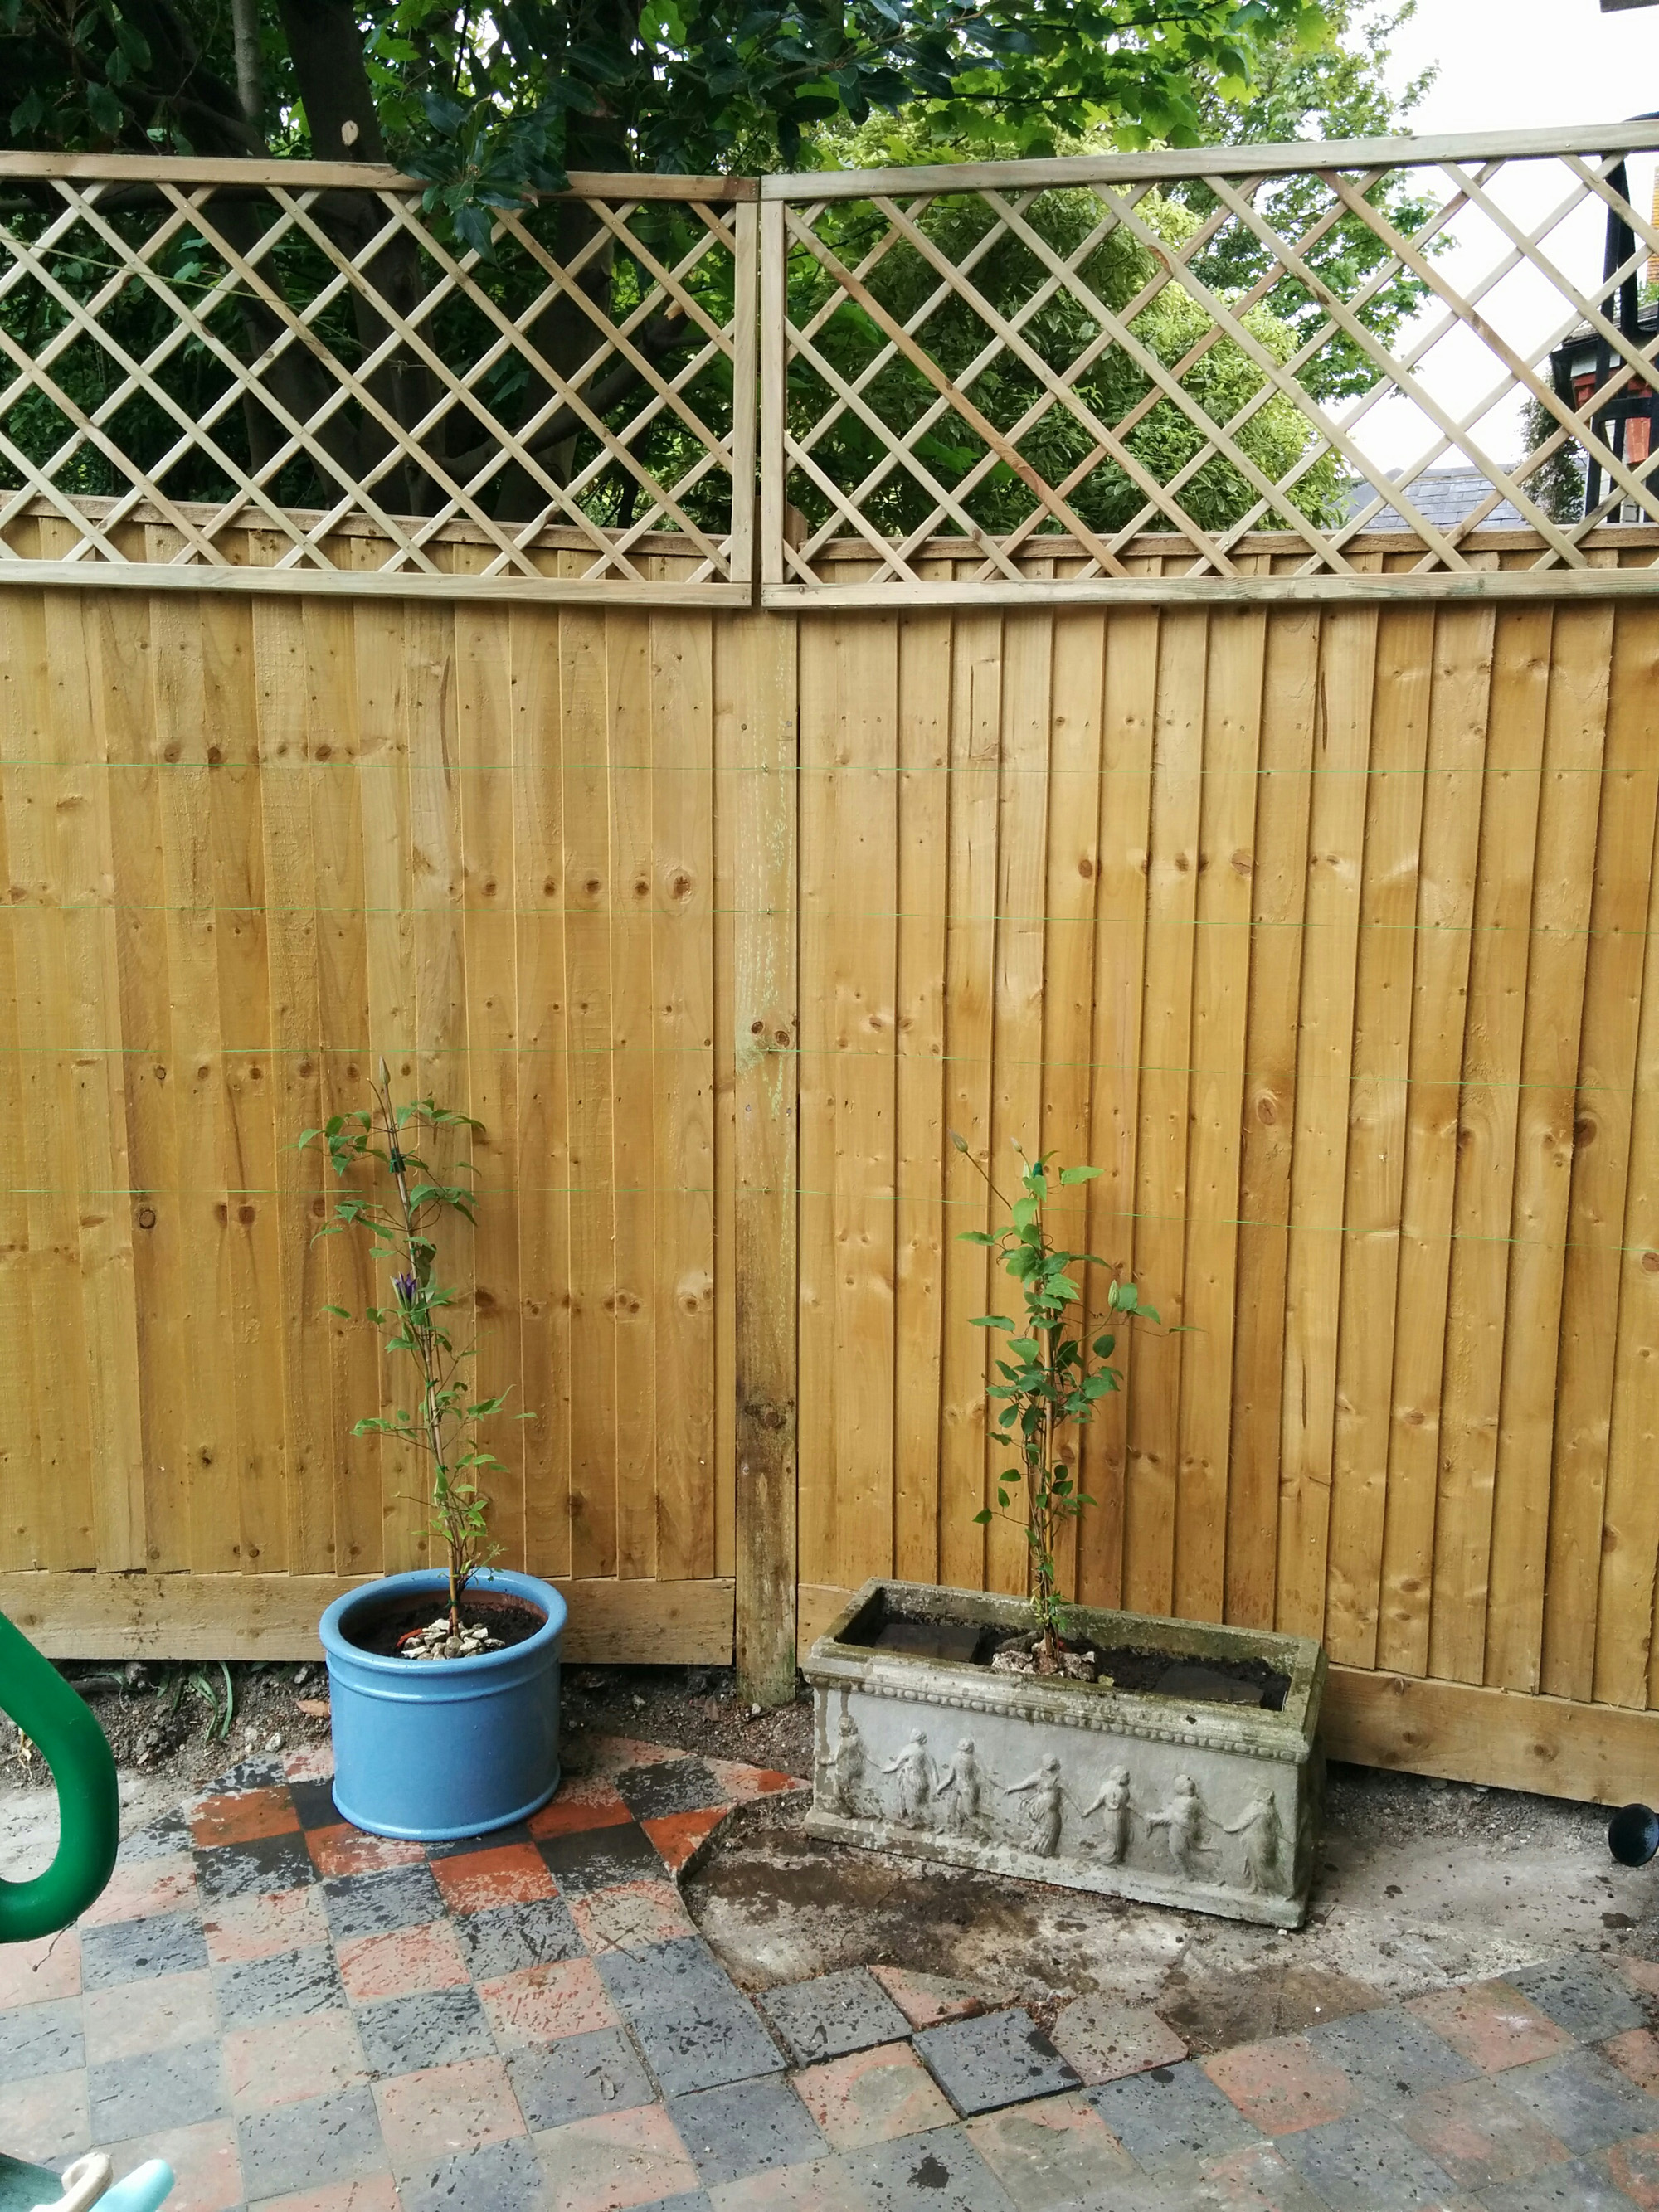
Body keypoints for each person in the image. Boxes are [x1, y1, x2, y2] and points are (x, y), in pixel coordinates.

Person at [1146, 1774, 1209, 1880]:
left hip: (1181, 1830)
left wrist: (1153, 1818)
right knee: (1182, 1851)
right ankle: (1188, 1874)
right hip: (1183, 1829)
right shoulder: (1191, 1801)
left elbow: (1172, 1816)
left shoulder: (1187, 1802)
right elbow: (1171, 1815)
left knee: (1179, 1851)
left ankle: (1188, 1875)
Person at [1004, 1755, 1064, 1857]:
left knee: (1050, 1829)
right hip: (1041, 1808)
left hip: (1051, 1810)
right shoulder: (1040, 1775)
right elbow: (1024, 1784)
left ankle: (1041, 1849)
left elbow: (1070, 1794)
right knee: (1041, 1828)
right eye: (1048, 1762)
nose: (1050, 1764)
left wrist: (1083, 1811)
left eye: (1052, 1762)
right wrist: (1012, 1788)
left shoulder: (1058, 1778)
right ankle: (1034, 1846)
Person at [883, 1728, 934, 1827]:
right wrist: (937, 1785)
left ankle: (912, 1822)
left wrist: (884, 1770)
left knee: (910, 1801)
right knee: (922, 1802)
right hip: (922, 1779)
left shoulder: (909, 1749)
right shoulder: (925, 1751)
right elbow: (933, 1769)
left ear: (915, 1737)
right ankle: (930, 1822)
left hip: (910, 1778)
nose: (910, 1735)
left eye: (912, 1734)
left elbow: (896, 1765)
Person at [1081, 1765, 1132, 1864]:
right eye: (1126, 1776)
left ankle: (1115, 1857)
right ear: (1119, 1777)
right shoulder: (1108, 1787)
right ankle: (1109, 1858)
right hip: (1112, 1816)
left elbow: (1127, 1803)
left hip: (1122, 1815)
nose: (1129, 1779)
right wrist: (1088, 1811)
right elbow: (1099, 1801)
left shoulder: (1124, 1788)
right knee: (1115, 1838)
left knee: (1120, 1838)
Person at [936, 1738, 986, 1836]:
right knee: (959, 1810)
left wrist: (940, 1787)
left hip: (966, 1788)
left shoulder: (957, 1758)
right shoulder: (973, 1758)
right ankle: (958, 1830)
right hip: (966, 1787)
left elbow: (950, 1778)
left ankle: (987, 1830)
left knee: (969, 1813)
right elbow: (985, 1775)